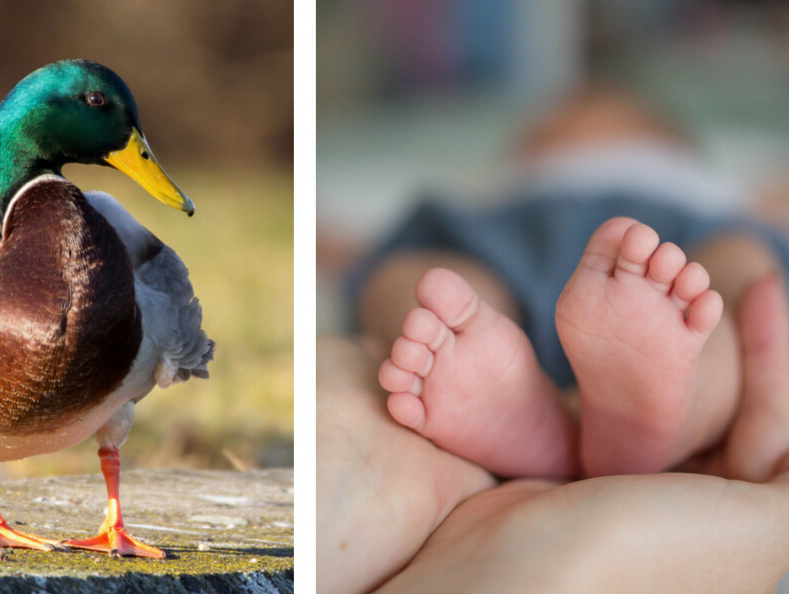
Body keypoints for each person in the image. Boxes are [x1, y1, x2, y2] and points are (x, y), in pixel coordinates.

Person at [353, 87, 789, 477]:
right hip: (520, 234)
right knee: (420, 280)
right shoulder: (505, 189)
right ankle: (515, 403)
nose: (592, 126)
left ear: (674, 144)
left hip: (670, 238)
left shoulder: (716, 191)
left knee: (738, 268)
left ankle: (678, 410)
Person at [317, 275, 789, 593]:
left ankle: (646, 419)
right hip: (649, 260)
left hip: (517, 248)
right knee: (731, 279)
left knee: (412, 273)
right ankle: (628, 424)